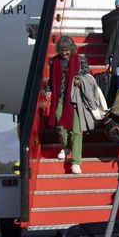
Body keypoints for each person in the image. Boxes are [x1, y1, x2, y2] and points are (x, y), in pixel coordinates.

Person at [45, 36, 89, 174]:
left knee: (76, 130)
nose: (65, 53)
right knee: (60, 125)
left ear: (71, 49)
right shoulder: (55, 61)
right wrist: (48, 90)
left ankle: (76, 162)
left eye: (67, 50)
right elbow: (51, 80)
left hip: (75, 97)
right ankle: (66, 147)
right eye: (62, 50)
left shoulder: (80, 60)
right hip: (59, 97)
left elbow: (88, 76)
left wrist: (80, 81)